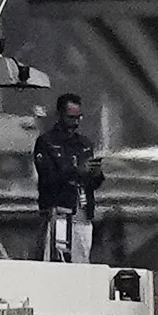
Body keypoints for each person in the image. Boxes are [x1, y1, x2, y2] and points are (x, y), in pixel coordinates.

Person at [34, 92, 104, 263]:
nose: (76, 122)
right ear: (60, 115)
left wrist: (95, 174)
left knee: (83, 261)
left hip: (83, 213)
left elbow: (94, 182)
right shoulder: (46, 142)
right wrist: (77, 171)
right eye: (71, 117)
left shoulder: (84, 144)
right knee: (58, 259)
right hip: (58, 212)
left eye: (79, 117)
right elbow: (48, 178)